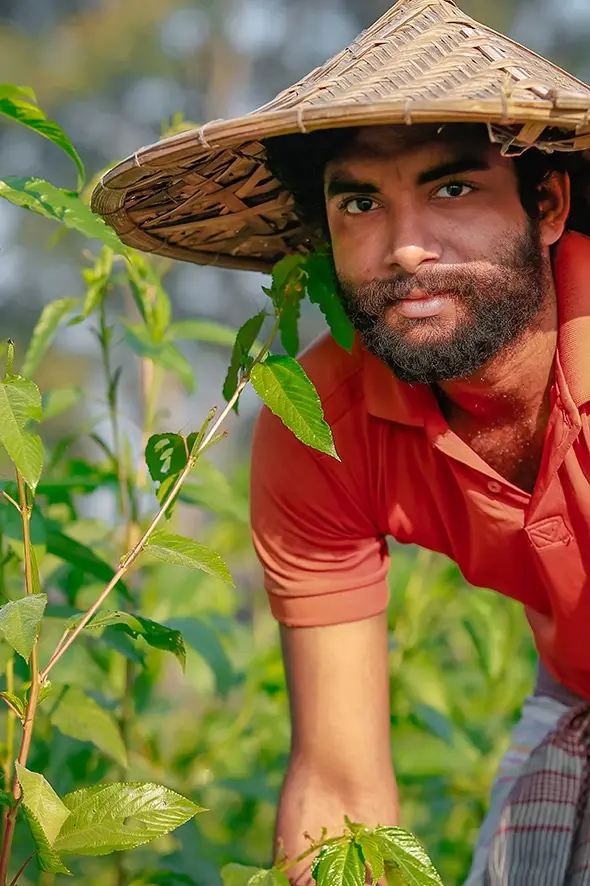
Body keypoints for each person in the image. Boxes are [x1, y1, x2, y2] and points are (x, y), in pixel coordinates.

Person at [92, 0, 590, 881]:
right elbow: (337, 784)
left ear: (546, 205)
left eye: (452, 188)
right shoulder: (321, 428)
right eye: (360, 202)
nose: (404, 249)